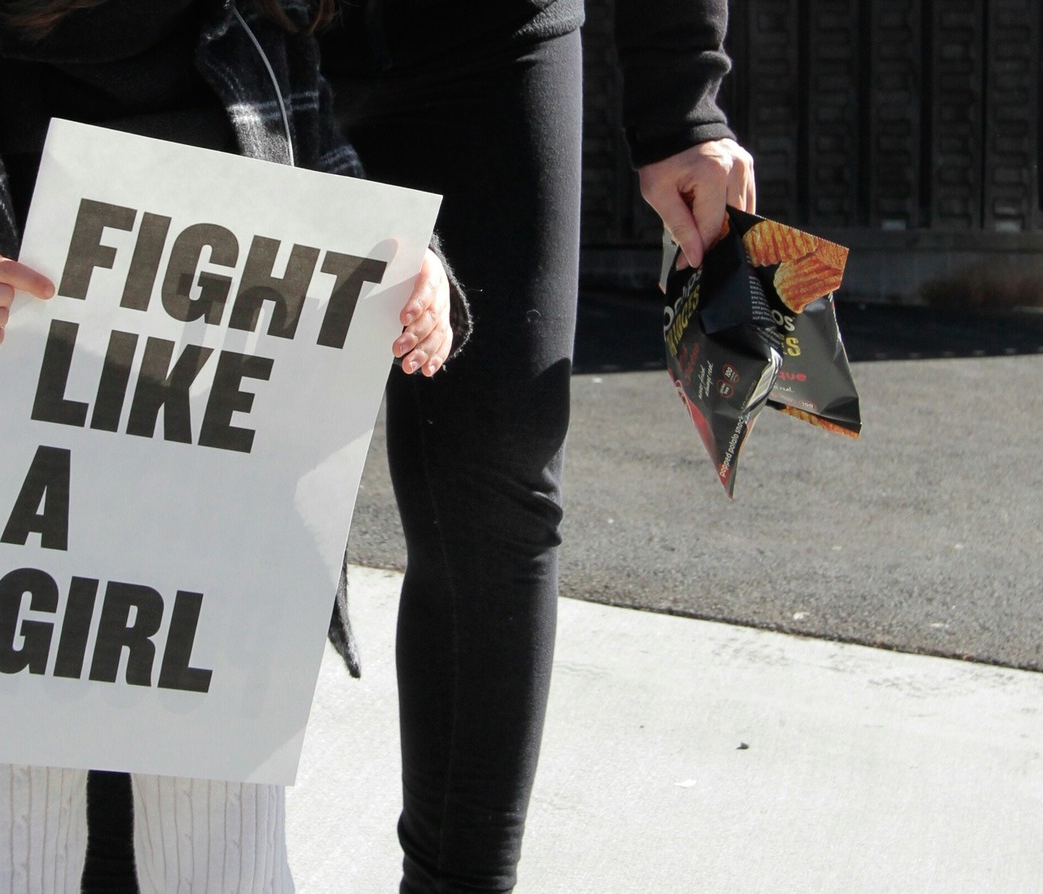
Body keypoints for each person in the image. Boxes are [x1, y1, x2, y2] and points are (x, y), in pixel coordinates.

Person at [0, 0, 461, 891]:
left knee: (226, 860)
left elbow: (344, 212)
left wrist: (414, 276)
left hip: (223, 540)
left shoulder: (254, 35)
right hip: (9, 539)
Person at [307, 2, 755, 891]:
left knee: (498, 477)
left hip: (492, 46)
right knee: (178, 448)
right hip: (235, 36)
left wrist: (683, 105)